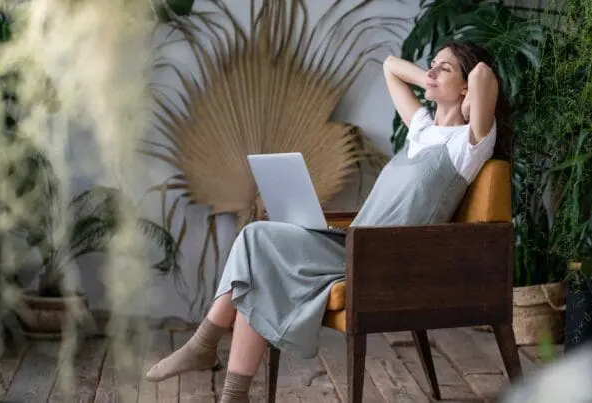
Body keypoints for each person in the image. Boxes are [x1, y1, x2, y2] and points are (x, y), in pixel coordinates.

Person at [144, 41, 510, 402]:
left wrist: (463, 95)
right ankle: (230, 390)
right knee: (258, 258)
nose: (430, 72)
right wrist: (435, 77)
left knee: (255, 239)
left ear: (465, 88)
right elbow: (390, 66)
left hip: (385, 257)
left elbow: (482, 73)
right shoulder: (422, 129)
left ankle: (205, 346)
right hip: (352, 242)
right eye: (431, 64)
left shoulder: (470, 143)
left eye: (444, 69)